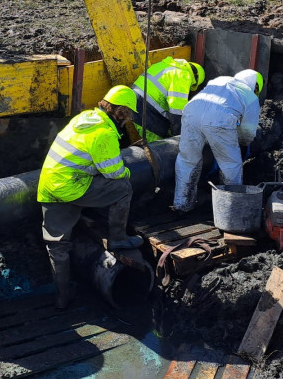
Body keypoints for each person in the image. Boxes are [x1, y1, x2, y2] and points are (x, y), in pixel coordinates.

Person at [37, 85, 143, 309]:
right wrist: (128, 171)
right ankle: (118, 238)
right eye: (128, 116)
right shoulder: (104, 134)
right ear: (121, 112)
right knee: (123, 187)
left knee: (56, 246)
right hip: (74, 187)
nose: (128, 122)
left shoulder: (84, 118)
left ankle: (63, 296)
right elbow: (114, 172)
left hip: (50, 186)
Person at [172, 69, 263, 213]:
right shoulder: (251, 97)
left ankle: (181, 205)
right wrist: (242, 143)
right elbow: (247, 131)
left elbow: (208, 108)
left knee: (187, 160)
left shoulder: (219, 80)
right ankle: (230, 210)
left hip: (191, 111)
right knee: (230, 164)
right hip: (219, 119)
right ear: (255, 86)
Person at [132, 57, 205, 142]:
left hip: (133, 102)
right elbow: (177, 111)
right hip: (146, 107)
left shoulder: (165, 65)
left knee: (151, 141)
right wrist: (179, 136)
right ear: (195, 78)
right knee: (159, 145)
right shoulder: (183, 75)